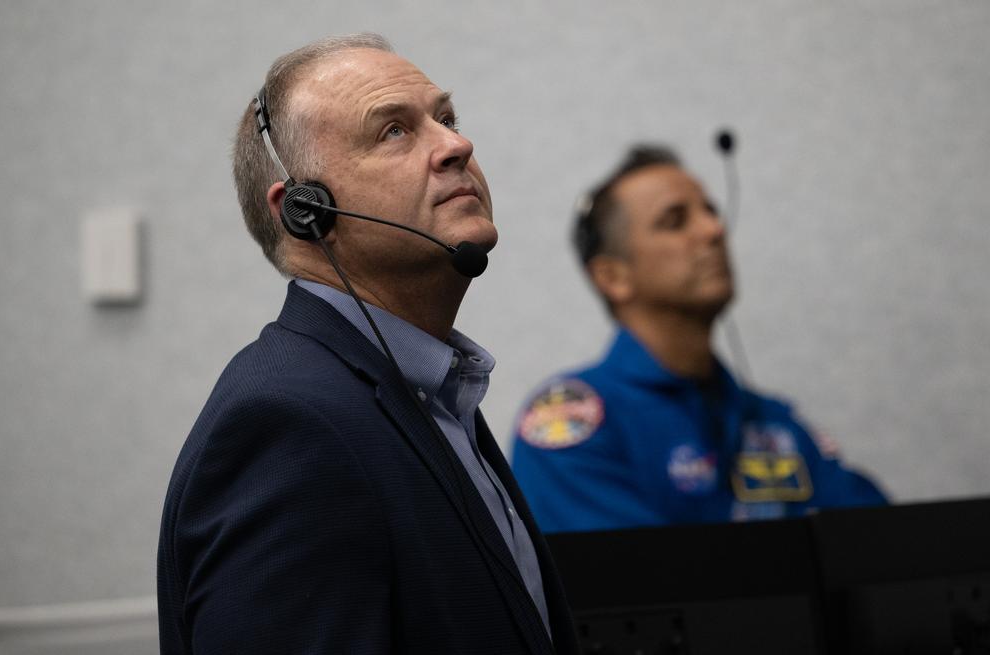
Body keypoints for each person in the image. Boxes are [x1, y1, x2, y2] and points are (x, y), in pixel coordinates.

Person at [157, 34, 577, 654]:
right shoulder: (285, 426)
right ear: (304, 210)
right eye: (393, 132)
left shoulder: (433, 393)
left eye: (447, 118)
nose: (457, 145)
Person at [510, 145, 888, 533]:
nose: (714, 230)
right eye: (675, 221)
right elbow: (641, 585)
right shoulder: (571, 421)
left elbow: (880, 546)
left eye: (711, 211)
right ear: (612, 277)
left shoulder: (770, 421)